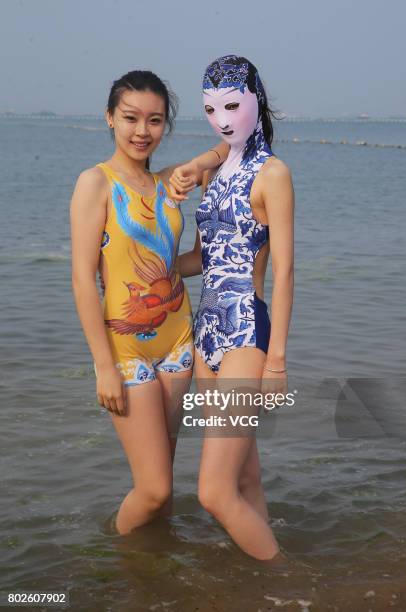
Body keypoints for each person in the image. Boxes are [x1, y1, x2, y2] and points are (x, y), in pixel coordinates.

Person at [70, 70, 228, 535]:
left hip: (179, 340)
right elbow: (82, 279)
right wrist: (103, 367)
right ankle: (115, 563)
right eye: (131, 118)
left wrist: (197, 169)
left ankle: (157, 574)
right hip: (126, 349)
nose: (142, 131)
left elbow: (225, 149)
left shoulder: (167, 184)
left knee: (165, 480)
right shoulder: (94, 184)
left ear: (165, 126)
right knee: (154, 487)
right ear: (109, 119)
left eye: (155, 120)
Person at [176, 55, 294, 562]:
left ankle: (292, 583)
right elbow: (203, 258)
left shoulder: (274, 174)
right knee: (244, 476)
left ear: (255, 100)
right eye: (210, 108)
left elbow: (286, 271)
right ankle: (262, 586)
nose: (222, 118)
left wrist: (277, 363)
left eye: (231, 104)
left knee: (213, 492)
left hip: (247, 331)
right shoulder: (215, 169)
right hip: (207, 331)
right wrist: (138, 262)